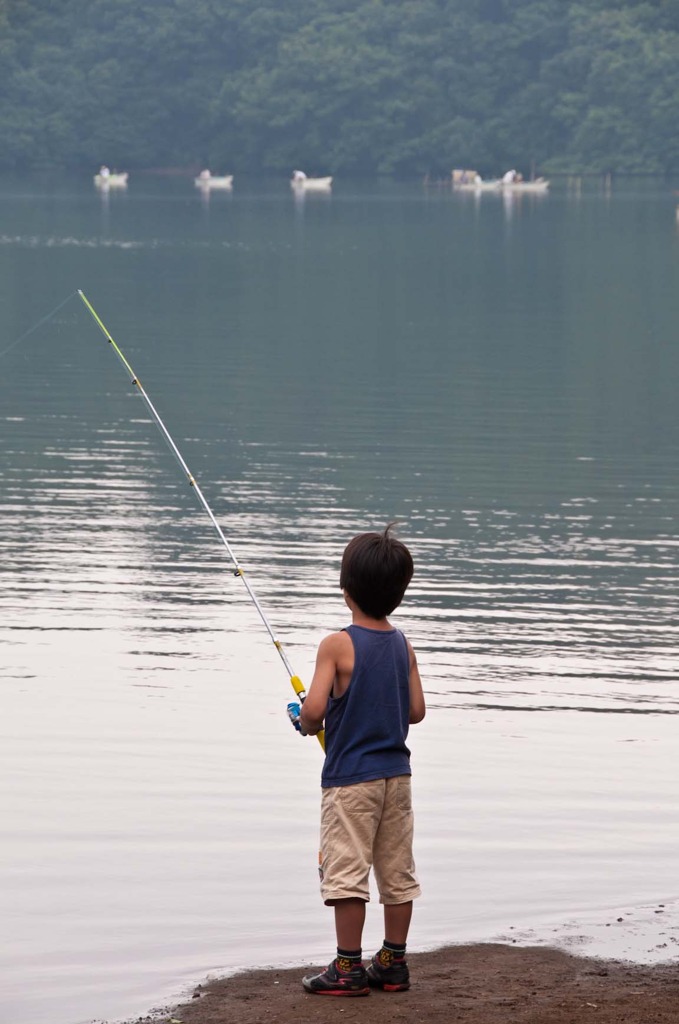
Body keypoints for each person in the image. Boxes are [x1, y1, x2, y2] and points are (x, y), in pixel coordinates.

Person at [288, 524, 426, 996]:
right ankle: (392, 962)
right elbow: (416, 712)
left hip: (349, 783)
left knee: (345, 872)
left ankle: (348, 968)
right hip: (397, 779)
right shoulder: (403, 644)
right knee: (396, 871)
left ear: (346, 590)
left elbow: (314, 713)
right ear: (399, 594)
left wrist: (303, 720)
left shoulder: (336, 644)